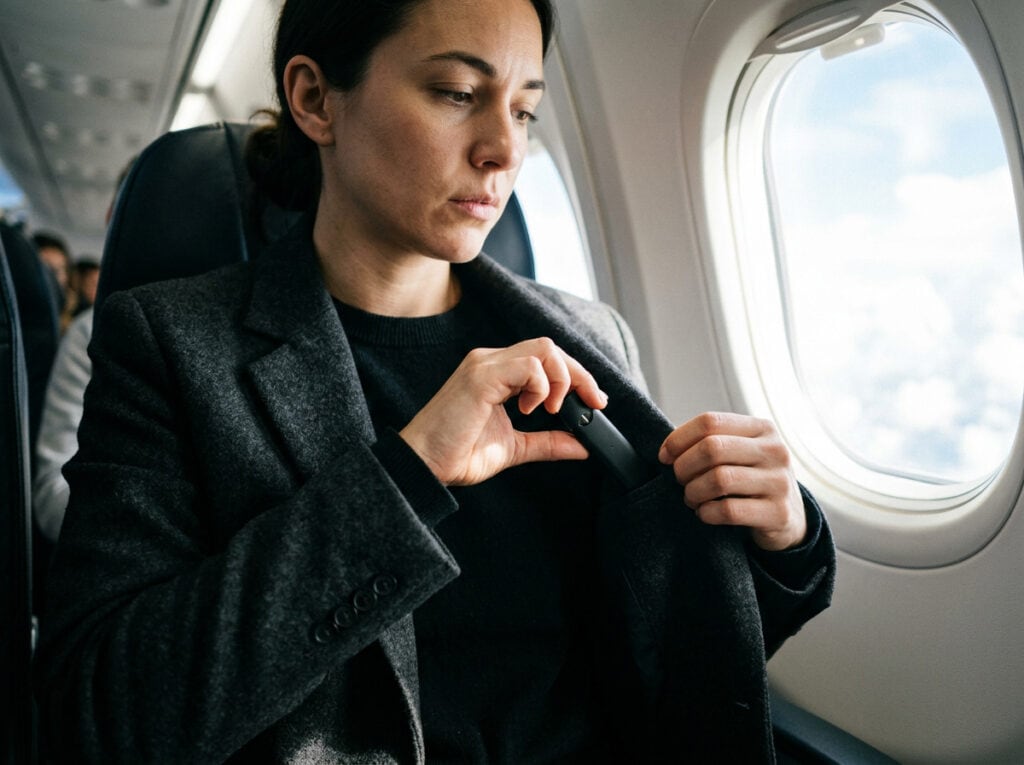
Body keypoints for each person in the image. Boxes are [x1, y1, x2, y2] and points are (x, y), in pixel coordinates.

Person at [35, 1, 835, 762]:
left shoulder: (590, 339)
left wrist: (782, 540)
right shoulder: (170, 346)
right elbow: (101, 716)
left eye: (523, 110)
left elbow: (680, 660)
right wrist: (404, 476)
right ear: (316, 100)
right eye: (458, 93)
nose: (504, 149)